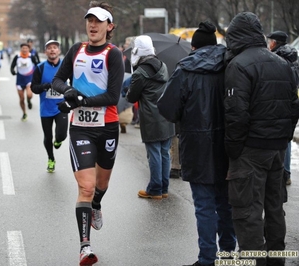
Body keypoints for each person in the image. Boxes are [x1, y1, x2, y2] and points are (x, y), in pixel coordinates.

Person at [157, 21, 236, 266]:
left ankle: (207, 259)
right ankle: (228, 255)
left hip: (197, 144)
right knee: (226, 203)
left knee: (204, 206)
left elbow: (168, 108)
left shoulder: (186, 69)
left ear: (194, 46)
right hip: (229, 145)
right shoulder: (231, 65)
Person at [52, 2, 124, 265]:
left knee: (101, 186)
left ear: (109, 26)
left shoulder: (113, 54)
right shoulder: (76, 50)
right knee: (86, 186)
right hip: (81, 127)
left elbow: (113, 96)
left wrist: (80, 100)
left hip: (107, 127)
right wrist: (67, 92)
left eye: (99, 21)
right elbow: (57, 80)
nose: (93, 25)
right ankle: (85, 248)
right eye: (89, 21)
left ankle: (97, 205)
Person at [224, 12, 298, 266]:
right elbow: (294, 105)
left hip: (250, 150)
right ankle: (276, 260)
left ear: (235, 37)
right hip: (277, 147)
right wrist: (284, 137)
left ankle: (253, 262)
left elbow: (236, 113)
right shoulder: (281, 63)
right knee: (275, 208)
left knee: (248, 213)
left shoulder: (238, 65)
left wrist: (234, 149)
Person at [125, 35, 175, 200]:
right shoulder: (163, 66)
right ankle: (164, 188)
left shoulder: (140, 73)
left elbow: (132, 97)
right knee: (164, 152)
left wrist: (129, 91)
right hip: (166, 115)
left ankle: (154, 189)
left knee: (153, 152)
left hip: (151, 118)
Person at [266, 30, 298, 187]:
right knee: (287, 138)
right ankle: (286, 173)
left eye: (270, 41)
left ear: (274, 43)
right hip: (291, 103)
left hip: (277, 103)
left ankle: (279, 173)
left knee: (278, 139)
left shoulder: (276, 58)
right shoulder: (293, 58)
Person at [31, 40, 68, 172]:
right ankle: (51, 158)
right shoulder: (40, 68)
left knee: (62, 135)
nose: (52, 50)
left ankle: (58, 140)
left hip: (62, 106)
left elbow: (75, 81)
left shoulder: (66, 66)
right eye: (49, 48)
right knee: (48, 137)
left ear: (59, 51)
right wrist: (43, 86)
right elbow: (33, 88)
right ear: (45, 52)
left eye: (55, 48)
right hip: (46, 108)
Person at [10, 43, 37, 121]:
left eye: (26, 48)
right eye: (23, 48)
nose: (24, 50)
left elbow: (37, 65)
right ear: (21, 49)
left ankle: (29, 101)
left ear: (28, 49)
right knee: (21, 98)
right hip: (20, 80)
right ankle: (24, 113)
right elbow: (12, 66)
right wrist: (12, 71)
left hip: (29, 79)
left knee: (29, 95)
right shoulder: (17, 57)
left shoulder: (31, 57)